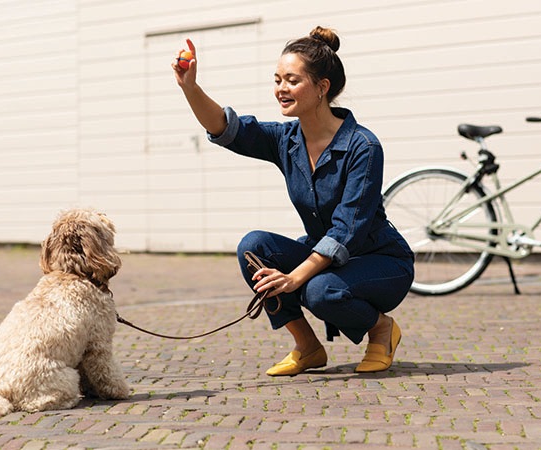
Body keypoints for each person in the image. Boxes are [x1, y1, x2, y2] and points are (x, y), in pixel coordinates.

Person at [172, 26, 414, 376]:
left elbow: (348, 228)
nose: (280, 89)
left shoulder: (363, 146)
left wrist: (294, 278)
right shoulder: (286, 139)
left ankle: (381, 329)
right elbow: (227, 128)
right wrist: (190, 88)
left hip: (380, 263)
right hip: (326, 259)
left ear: (322, 88)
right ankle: (307, 346)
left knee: (319, 290)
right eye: (277, 80)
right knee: (254, 247)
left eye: (291, 80)